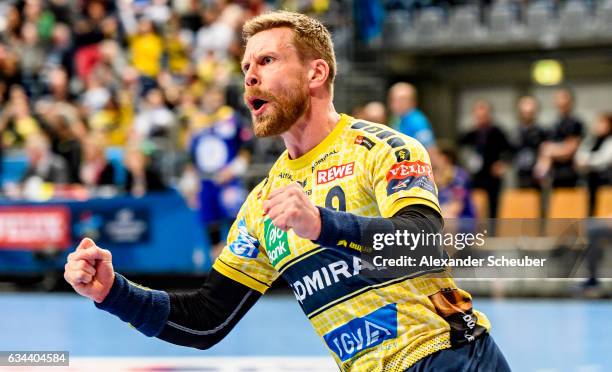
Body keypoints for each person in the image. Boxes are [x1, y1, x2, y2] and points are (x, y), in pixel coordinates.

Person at [64, 11, 509, 372]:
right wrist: (112, 292)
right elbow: (208, 318)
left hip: (449, 357)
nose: (249, 78)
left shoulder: (383, 148)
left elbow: (424, 241)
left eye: (267, 61)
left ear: (316, 72)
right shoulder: (263, 202)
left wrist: (321, 224)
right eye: (245, 68)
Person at [459, 100, 512, 219]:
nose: (481, 118)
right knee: (471, 203)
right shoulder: (469, 135)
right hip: (474, 176)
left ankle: (492, 232)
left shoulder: (498, 133)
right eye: (478, 116)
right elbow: (460, 152)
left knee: (494, 206)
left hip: (492, 176)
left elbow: (509, 151)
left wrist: (502, 164)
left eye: (484, 115)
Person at [534, 88, 584, 187]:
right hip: (555, 175)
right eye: (558, 98)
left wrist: (551, 151)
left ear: (570, 101)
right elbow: (545, 148)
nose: (561, 102)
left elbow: (570, 149)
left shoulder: (576, 123)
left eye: (564, 98)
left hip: (571, 174)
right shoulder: (553, 124)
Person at [575, 113, 612, 215]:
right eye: (598, 123)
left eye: (603, 123)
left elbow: (603, 159)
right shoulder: (591, 139)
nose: (599, 126)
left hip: (605, 183)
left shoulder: (610, 141)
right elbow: (580, 154)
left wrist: (587, 161)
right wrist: (583, 160)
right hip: (589, 181)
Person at [387, 82, 437, 156]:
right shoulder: (396, 118)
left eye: (402, 99)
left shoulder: (417, 121)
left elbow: (430, 149)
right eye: (393, 99)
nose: (397, 103)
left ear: (413, 102)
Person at [515, 96, 547, 189]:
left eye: (530, 111)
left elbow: (546, 151)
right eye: (524, 111)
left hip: (537, 175)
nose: (527, 114)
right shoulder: (515, 132)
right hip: (519, 174)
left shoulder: (542, 132)